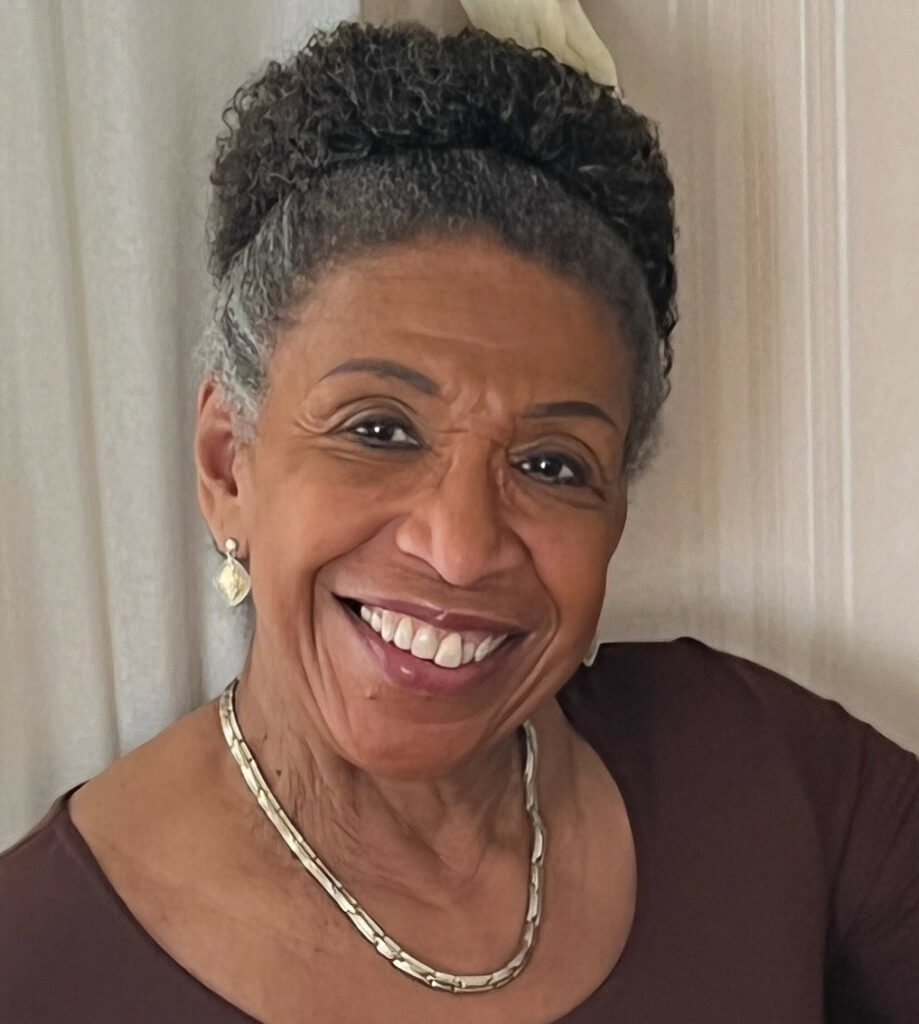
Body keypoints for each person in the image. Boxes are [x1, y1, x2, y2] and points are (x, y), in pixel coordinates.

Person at [1, 20, 917, 1024]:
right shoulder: (38, 961)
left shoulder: (760, 779)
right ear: (229, 463)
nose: (461, 544)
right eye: (381, 429)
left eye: (549, 464)